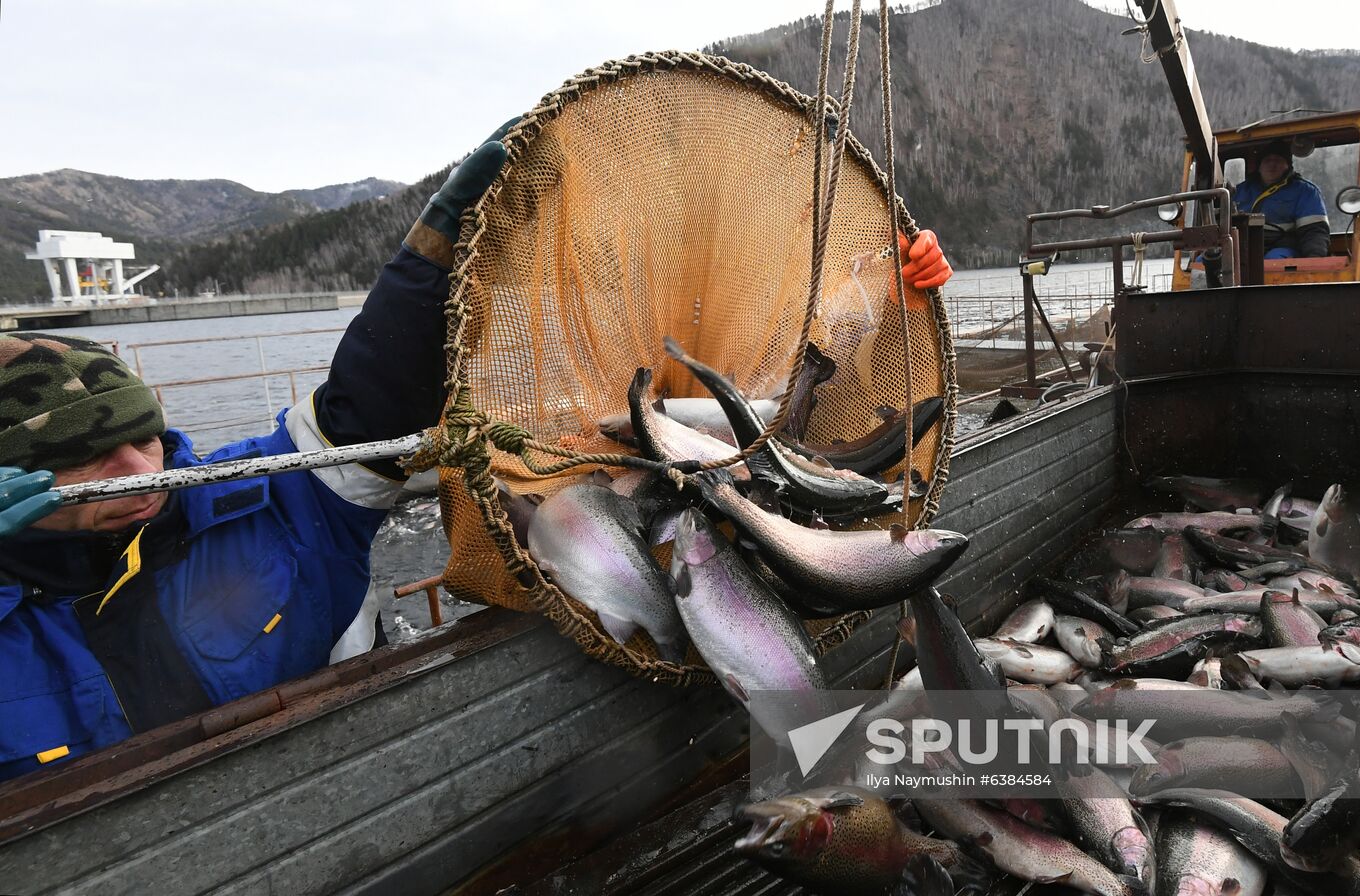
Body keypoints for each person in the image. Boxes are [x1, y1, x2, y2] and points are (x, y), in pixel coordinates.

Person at [0, 124, 952, 783]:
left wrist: (891, 296)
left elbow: (366, 400)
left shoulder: (266, 499)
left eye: (144, 441)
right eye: (90, 462)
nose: (139, 476)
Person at [1231, 139, 1331, 259]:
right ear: (1259, 166)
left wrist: (1314, 257)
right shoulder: (1240, 190)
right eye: (1267, 160)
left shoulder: (1306, 191)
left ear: (1288, 166)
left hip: (1281, 246)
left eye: (1278, 160)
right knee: (1205, 262)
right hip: (1241, 246)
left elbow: (1314, 230)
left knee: (1274, 261)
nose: (1272, 164)